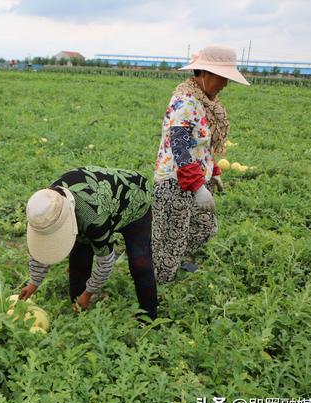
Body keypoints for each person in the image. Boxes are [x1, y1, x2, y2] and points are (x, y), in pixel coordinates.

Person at [152, 45, 250, 283]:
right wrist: (197, 186)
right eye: (223, 78)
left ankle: (174, 263)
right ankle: (159, 288)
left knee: (204, 228)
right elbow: (180, 146)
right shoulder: (184, 102)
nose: (226, 84)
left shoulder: (203, 102)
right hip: (175, 183)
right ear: (205, 73)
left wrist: (213, 170)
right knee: (170, 241)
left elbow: (201, 145)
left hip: (194, 179)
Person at [18, 166, 158, 320]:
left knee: (140, 264)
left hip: (135, 200)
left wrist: (88, 293)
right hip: (100, 201)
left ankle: (149, 317)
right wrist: (34, 282)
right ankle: (77, 311)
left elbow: (105, 264)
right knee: (79, 259)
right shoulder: (47, 203)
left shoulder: (94, 220)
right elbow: (42, 244)